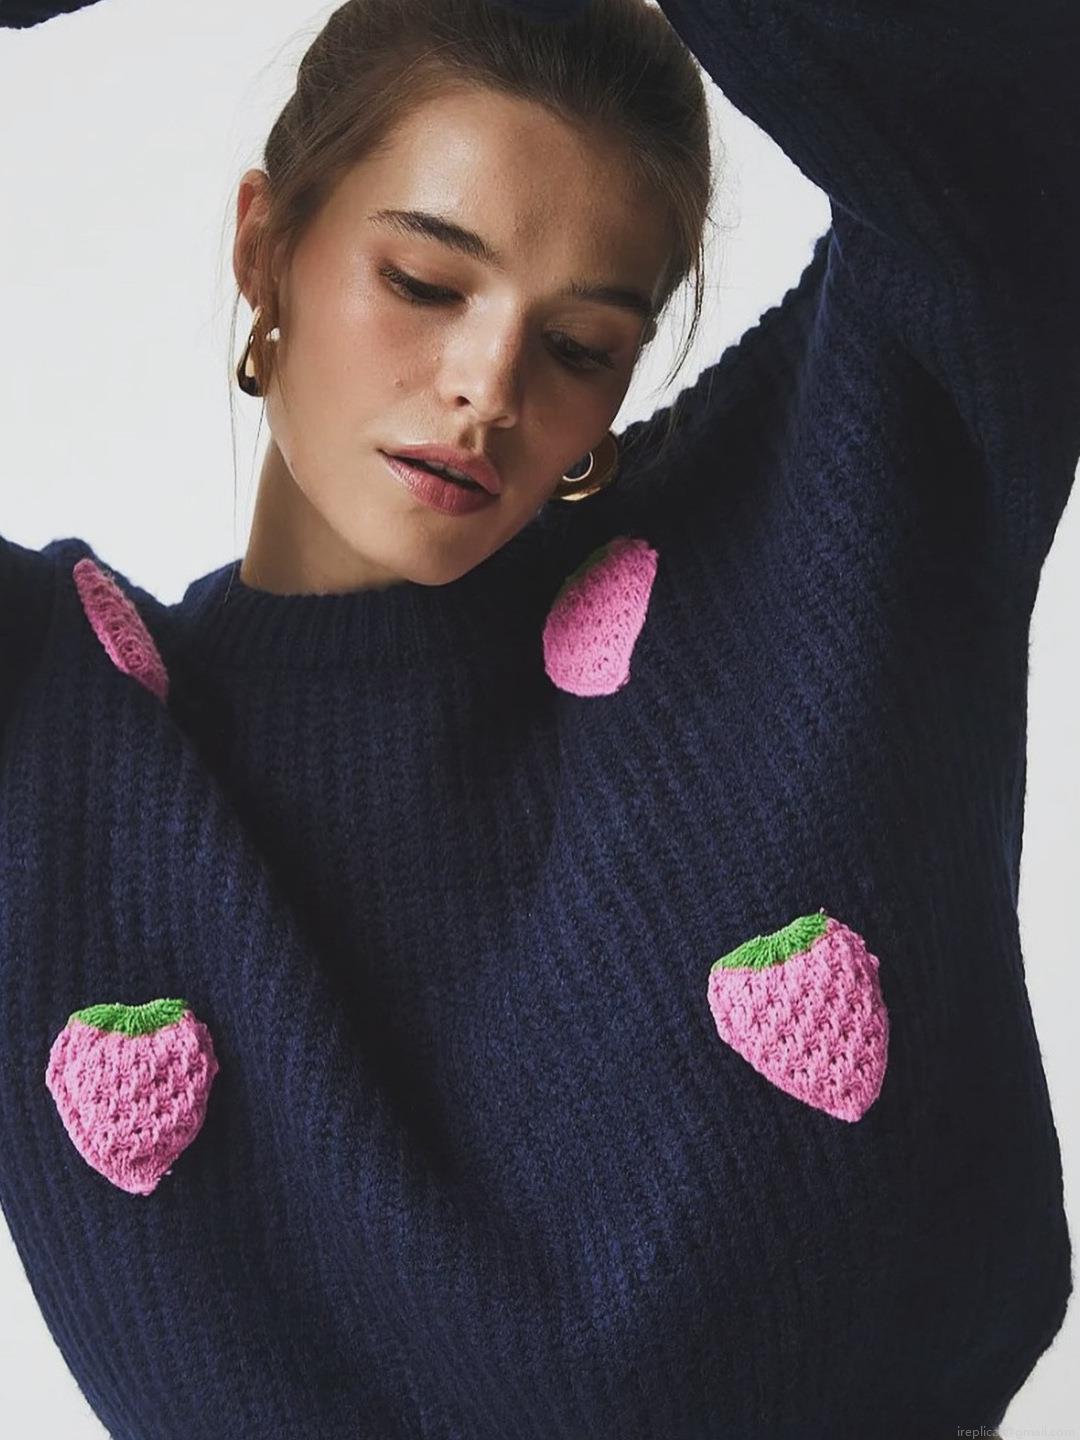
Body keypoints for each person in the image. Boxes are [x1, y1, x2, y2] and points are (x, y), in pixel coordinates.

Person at [0, 0, 1075, 1435]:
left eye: (578, 346)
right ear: (265, 247)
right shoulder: (56, 729)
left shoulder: (820, 526)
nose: (487, 387)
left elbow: (1021, 109)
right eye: (423, 281)